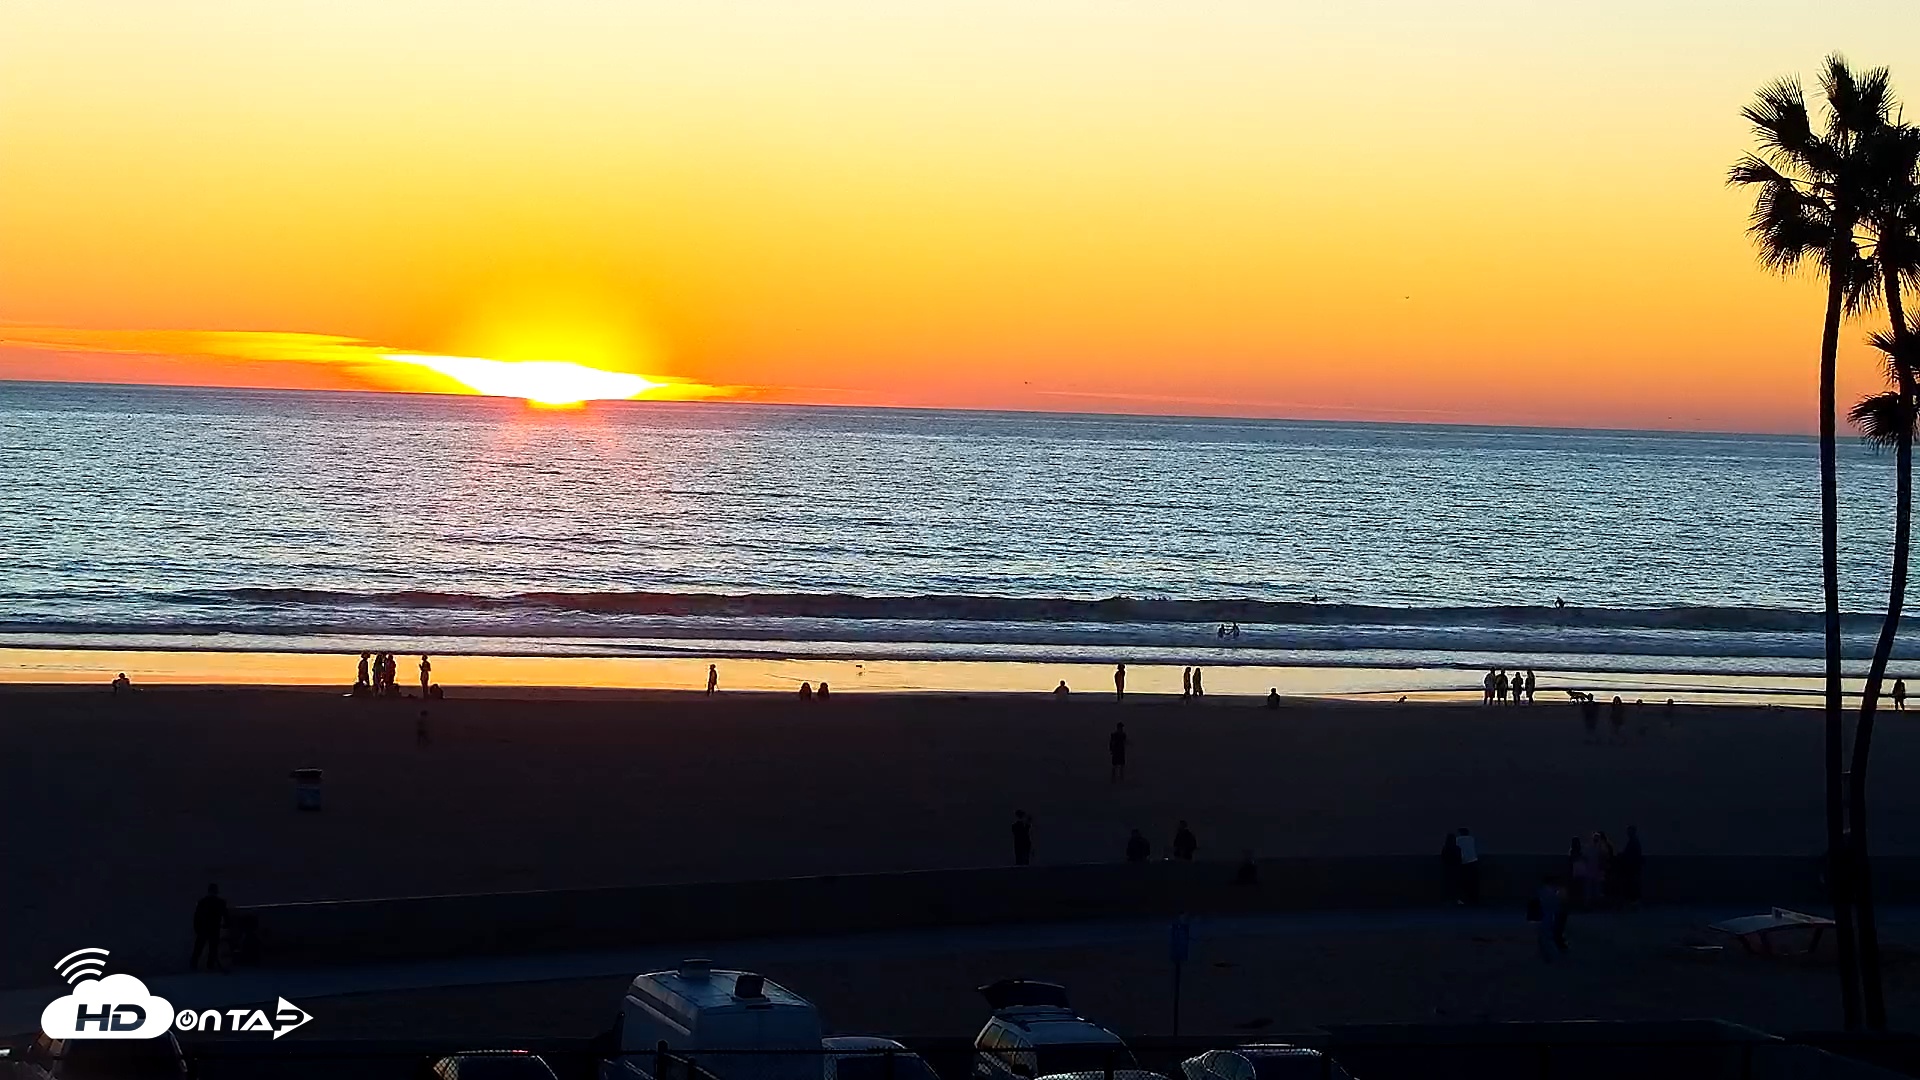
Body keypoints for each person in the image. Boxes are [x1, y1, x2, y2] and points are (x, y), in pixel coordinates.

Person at [191, 883, 227, 972]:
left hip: (203, 929)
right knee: (213, 949)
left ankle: (193, 966)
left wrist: (196, 928)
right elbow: (226, 916)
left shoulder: (202, 902)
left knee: (198, 948)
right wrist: (226, 925)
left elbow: (196, 917)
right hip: (215, 929)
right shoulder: (221, 902)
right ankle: (210, 966)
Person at [1618, 825, 1645, 907]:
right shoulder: (1634, 841)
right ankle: (1634, 901)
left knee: (1632, 885)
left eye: (1629, 831)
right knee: (1632, 884)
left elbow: (1630, 854)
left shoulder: (1633, 842)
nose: (1628, 833)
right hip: (1632, 867)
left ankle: (1633, 901)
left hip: (1632, 868)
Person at [1455, 827, 1480, 905]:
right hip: (1473, 861)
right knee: (1473, 882)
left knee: (1463, 882)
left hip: (1463, 862)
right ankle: (1474, 899)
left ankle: (1463, 899)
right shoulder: (1471, 839)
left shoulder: (1458, 840)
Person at [1440, 831, 1462, 900]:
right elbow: (1459, 858)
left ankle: (1448, 898)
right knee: (1456, 885)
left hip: (1447, 869)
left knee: (1448, 884)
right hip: (1456, 869)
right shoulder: (1457, 848)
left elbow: (1443, 858)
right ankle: (1456, 899)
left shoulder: (1445, 848)